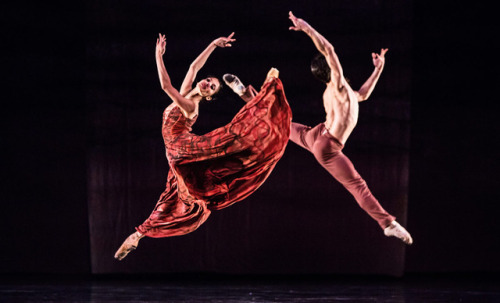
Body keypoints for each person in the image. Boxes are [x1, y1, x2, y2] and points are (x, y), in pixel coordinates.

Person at [114, 33, 292, 260]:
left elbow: (165, 86)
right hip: (175, 155)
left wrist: (158, 56)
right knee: (170, 198)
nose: (206, 84)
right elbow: (193, 66)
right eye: (209, 81)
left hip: (182, 148)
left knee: (231, 139)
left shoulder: (190, 106)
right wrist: (213, 45)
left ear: (208, 97)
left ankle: (264, 106)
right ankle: (136, 236)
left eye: (211, 87)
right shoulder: (188, 90)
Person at [287, 11, 412, 244]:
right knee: (357, 185)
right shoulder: (339, 86)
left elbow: (363, 95)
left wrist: (378, 69)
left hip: (316, 135)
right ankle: (387, 224)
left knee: (282, 125)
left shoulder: (344, 93)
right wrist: (307, 28)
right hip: (327, 146)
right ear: (333, 69)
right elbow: (329, 49)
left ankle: (249, 99)